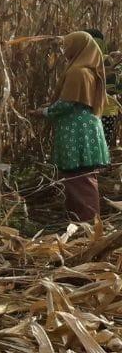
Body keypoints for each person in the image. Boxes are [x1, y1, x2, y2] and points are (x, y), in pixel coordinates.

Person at [37, 31, 110, 222]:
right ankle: (82, 223)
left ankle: (87, 226)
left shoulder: (78, 71)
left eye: (67, 45)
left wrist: (44, 112)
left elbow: (67, 104)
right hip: (84, 130)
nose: (64, 50)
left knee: (80, 180)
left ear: (78, 47)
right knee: (79, 179)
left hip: (77, 133)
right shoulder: (87, 70)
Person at [86, 29, 120, 145]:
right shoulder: (105, 60)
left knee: (96, 147)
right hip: (105, 110)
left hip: (102, 111)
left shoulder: (104, 60)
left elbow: (112, 87)